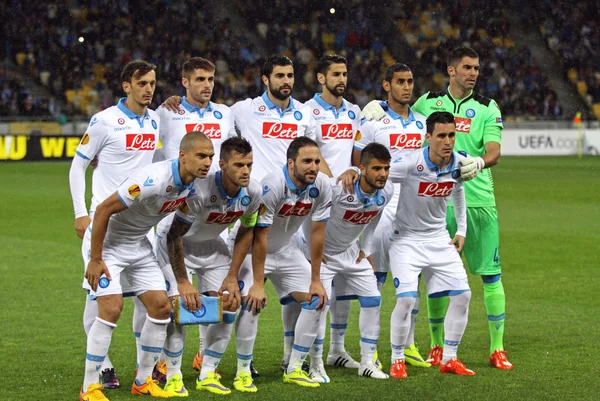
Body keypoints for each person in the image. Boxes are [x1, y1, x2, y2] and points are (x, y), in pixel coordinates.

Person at [362, 47, 511, 370]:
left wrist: (479, 162)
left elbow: (495, 151)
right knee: (424, 280)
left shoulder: (487, 107)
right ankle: (432, 346)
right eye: (467, 67)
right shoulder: (427, 103)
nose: (473, 73)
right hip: (428, 203)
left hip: (479, 199)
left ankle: (497, 348)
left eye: (477, 67)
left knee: (488, 275)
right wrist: (375, 106)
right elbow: (398, 114)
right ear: (451, 70)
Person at [79, 131, 213, 401]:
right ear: (183, 156)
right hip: (107, 245)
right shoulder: (152, 180)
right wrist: (95, 258)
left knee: (162, 308)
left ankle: (143, 381)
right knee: (112, 308)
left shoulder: (192, 186)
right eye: (201, 156)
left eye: (210, 156)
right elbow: (104, 209)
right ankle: (89, 387)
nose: (207, 162)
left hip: (139, 245)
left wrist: (182, 279)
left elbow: (175, 232)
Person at [339, 111, 475, 378]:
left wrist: (461, 229)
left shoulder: (458, 163)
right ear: (428, 137)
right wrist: (355, 171)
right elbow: (378, 176)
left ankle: (449, 357)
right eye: (441, 136)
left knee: (463, 295)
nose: (447, 141)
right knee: (406, 300)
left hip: (438, 238)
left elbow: (458, 190)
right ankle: (397, 358)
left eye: (451, 135)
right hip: (406, 240)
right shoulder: (410, 163)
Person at [69, 60, 159, 390]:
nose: (149, 89)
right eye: (142, 83)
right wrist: (81, 212)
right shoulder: (104, 121)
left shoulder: (155, 121)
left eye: (152, 83)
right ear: (126, 86)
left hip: (139, 228)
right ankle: (102, 367)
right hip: (104, 225)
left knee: (148, 300)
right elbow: (77, 168)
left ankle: (146, 367)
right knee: (102, 300)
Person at [155, 137, 261, 395]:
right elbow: (174, 235)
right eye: (239, 165)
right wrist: (182, 282)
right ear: (222, 165)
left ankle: (208, 372)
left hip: (212, 246)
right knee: (180, 308)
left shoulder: (254, 193)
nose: (245, 171)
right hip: (175, 245)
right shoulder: (200, 190)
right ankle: (173, 375)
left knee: (230, 304)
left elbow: (247, 231)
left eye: (249, 165)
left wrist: (232, 276)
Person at [153, 56, 237, 379]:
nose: (207, 85)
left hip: (213, 216)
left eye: (211, 79)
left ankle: (204, 359)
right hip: (172, 216)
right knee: (171, 303)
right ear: (185, 82)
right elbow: (148, 150)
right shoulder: (167, 112)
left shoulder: (225, 114)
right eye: (199, 79)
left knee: (217, 301)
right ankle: (159, 363)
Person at [352, 63, 429, 368]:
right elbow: (358, 159)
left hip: (414, 207)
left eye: (410, 81)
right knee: (377, 277)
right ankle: (370, 350)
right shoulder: (372, 121)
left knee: (414, 275)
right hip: (382, 206)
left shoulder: (421, 124)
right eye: (400, 82)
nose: (407, 87)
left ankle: (408, 344)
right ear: (387, 86)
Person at [241, 136, 331, 388]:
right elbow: (260, 236)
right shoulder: (272, 185)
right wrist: (258, 284)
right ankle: (242, 367)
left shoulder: (322, 185)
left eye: (316, 161)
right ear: (291, 163)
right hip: (253, 251)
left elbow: (317, 233)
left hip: (286, 250)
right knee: (251, 303)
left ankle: (293, 366)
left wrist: (316, 280)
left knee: (318, 301)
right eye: (307, 162)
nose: (313, 167)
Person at [304, 142, 394, 382]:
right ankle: (315, 365)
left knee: (373, 298)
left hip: (352, 253)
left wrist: (366, 248)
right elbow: (308, 214)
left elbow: (376, 215)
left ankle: (366, 361)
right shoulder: (338, 188)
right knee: (319, 305)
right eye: (377, 168)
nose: (383, 174)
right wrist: (313, 250)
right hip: (324, 255)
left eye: (386, 168)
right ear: (361, 169)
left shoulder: (388, 190)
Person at [303, 54, 362, 370]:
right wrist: (333, 183)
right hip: (318, 202)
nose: (343, 79)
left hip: (348, 203)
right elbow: (313, 155)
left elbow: (354, 154)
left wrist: (352, 170)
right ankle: (305, 357)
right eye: (336, 74)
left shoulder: (353, 112)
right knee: (316, 281)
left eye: (345, 73)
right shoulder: (307, 112)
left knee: (345, 282)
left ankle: (337, 350)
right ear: (321, 78)